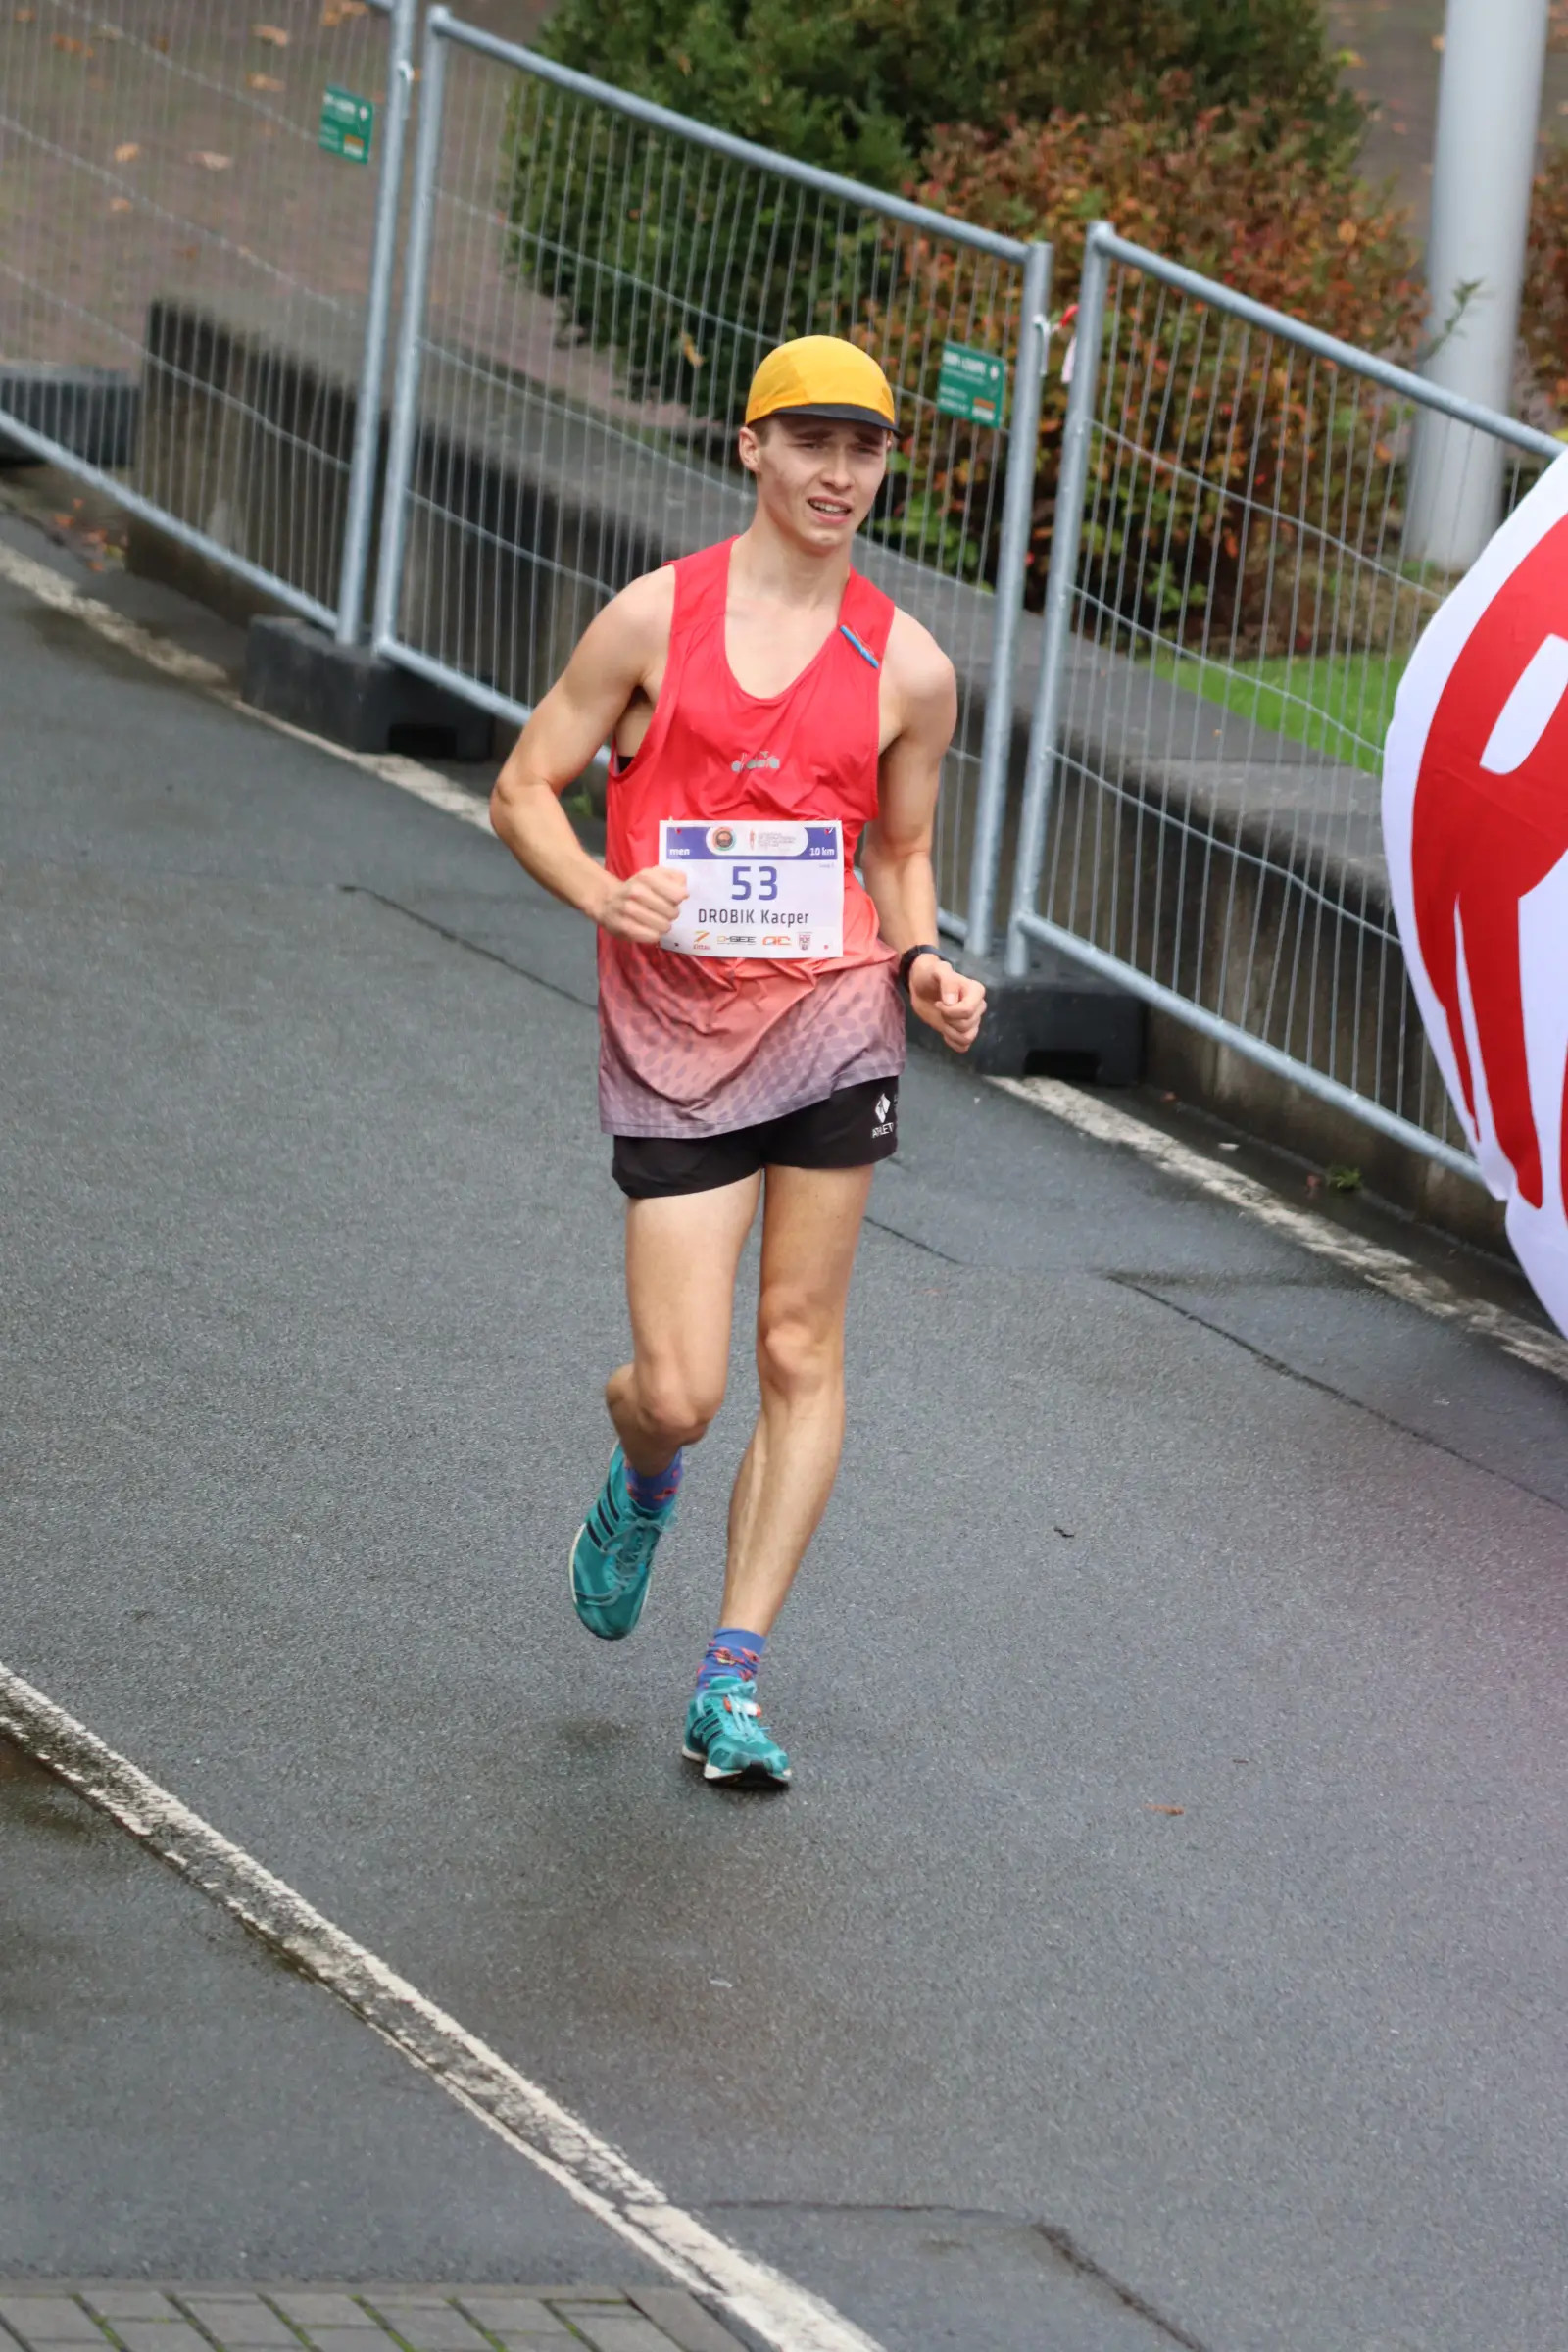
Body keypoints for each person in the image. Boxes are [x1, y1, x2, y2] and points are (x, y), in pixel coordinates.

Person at [490, 334, 986, 1787]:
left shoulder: (911, 668)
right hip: (674, 1035)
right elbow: (524, 789)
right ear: (749, 448)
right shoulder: (653, 621)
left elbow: (897, 854)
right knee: (683, 1385)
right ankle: (644, 1472)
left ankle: (732, 1678)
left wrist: (924, 966)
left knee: (797, 1348)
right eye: (812, 442)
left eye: (867, 448)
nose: (841, 473)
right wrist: (603, 892)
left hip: (836, 1016)